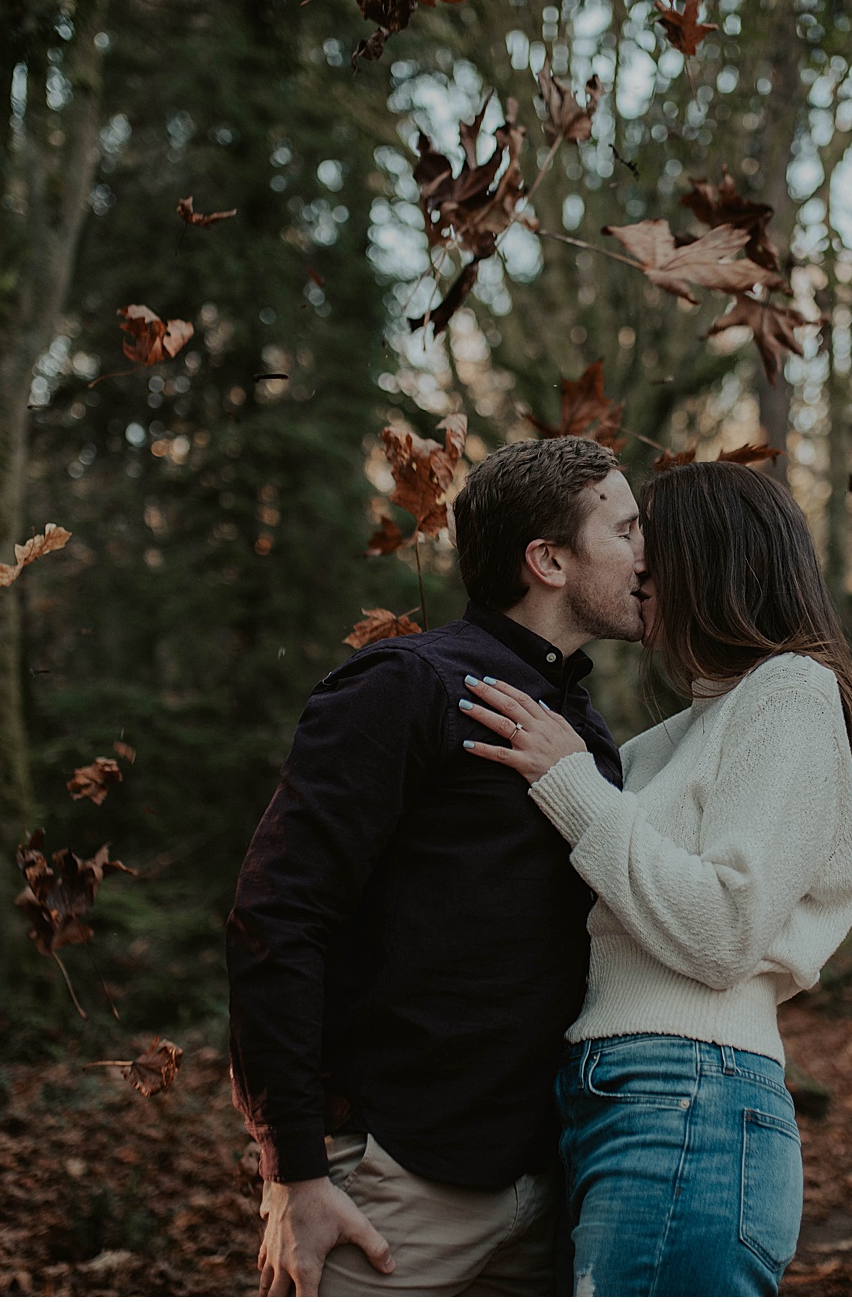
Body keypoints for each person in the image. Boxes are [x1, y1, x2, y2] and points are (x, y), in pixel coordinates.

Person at [226, 436, 647, 1295]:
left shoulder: (588, 732)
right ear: (550, 560)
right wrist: (295, 1168)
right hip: (394, 1190)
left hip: (550, 1188)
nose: (650, 554)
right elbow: (277, 916)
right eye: (628, 530)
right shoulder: (404, 687)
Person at [458, 460, 852, 1296]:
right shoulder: (672, 737)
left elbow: (725, 931)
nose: (636, 565)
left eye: (653, 541)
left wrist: (571, 785)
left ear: (712, 558)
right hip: (618, 1096)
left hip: (690, 1095)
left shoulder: (791, 691)